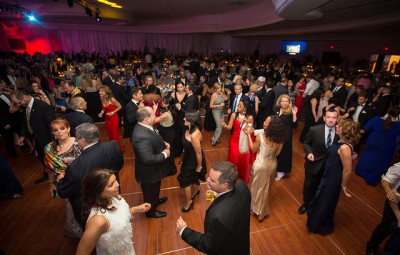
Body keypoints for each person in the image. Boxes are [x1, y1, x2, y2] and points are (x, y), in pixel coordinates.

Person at [176, 161, 251, 255]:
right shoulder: (243, 187)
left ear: (225, 185)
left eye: (212, 180)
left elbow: (208, 245)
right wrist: (219, 196)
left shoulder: (218, 216)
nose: (207, 180)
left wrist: (184, 231)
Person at [57, 123, 124, 227]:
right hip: (113, 196)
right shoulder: (113, 145)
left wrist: (60, 180)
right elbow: (119, 165)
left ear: (82, 140)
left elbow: (64, 192)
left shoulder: (75, 167)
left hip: (91, 209)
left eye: (77, 138)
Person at [76, 169, 151, 255]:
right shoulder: (98, 221)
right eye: (111, 184)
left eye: (115, 180)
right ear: (98, 191)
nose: (117, 184)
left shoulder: (113, 196)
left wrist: (137, 208)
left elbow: (118, 217)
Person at [307, 117, 361, 234]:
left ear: (344, 129)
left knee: (325, 202)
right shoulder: (342, 143)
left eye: (339, 125)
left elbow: (347, 170)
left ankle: (320, 226)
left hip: (332, 179)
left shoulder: (345, 147)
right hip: (328, 175)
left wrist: (344, 185)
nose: (336, 126)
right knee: (321, 199)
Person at [44, 118, 83, 237]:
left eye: (62, 128)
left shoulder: (79, 142)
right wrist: (51, 184)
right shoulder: (49, 148)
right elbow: (49, 168)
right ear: (53, 133)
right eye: (56, 130)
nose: (59, 132)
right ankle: (78, 230)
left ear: (69, 129)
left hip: (82, 180)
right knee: (71, 206)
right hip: (65, 183)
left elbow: (87, 162)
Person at [298, 108, 340, 215]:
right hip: (314, 163)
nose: (331, 120)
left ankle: (318, 204)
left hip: (330, 166)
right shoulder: (314, 129)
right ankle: (306, 203)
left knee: (324, 186)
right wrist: (309, 152)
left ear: (337, 119)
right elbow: (306, 143)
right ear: (324, 118)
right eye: (329, 117)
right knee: (309, 185)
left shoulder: (341, 133)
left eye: (334, 117)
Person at [131, 107, 170, 218]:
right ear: (147, 119)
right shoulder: (141, 136)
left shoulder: (145, 126)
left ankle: (155, 200)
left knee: (155, 187)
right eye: (153, 114)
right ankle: (150, 211)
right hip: (148, 172)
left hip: (154, 171)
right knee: (149, 192)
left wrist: (163, 143)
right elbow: (147, 159)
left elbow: (154, 137)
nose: (156, 116)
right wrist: (165, 154)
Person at [10, 89, 55, 184]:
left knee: (52, 159)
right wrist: (22, 136)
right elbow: (26, 123)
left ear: (25, 97)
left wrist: (52, 142)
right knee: (42, 158)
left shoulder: (42, 106)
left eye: (19, 102)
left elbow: (51, 125)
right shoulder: (27, 107)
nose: (19, 105)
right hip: (37, 138)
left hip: (46, 139)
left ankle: (57, 176)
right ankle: (47, 174)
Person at [247, 115, 287, 220]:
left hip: (261, 165)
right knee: (266, 189)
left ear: (272, 126)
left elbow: (253, 149)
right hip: (273, 165)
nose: (264, 122)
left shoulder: (260, 136)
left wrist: (248, 136)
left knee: (256, 188)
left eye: (266, 122)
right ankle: (262, 211)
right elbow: (277, 153)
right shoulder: (281, 138)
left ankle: (255, 209)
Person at [355, 106, 400, 185]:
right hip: (386, 148)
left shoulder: (376, 119)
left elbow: (364, 130)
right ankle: (371, 178)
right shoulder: (398, 125)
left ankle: (360, 172)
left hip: (372, 143)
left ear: (388, 111)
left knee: (367, 157)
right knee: (380, 163)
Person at [366, 162, 400, 255]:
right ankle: (371, 246)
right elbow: (385, 180)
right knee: (385, 226)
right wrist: (388, 190)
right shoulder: (399, 166)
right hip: (393, 200)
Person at [178, 111, 206, 212]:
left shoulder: (195, 135)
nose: (183, 119)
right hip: (188, 157)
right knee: (191, 177)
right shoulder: (188, 128)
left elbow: (198, 153)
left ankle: (189, 202)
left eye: (186, 118)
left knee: (185, 181)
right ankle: (194, 192)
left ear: (191, 121)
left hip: (193, 160)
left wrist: (199, 166)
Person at [222, 99, 254, 183]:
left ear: (245, 108)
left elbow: (251, 131)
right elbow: (229, 127)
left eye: (240, 105)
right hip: (234, 140)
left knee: (243, 158)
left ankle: (242, 175)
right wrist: (224, 125)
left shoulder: (250, 117)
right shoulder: (234, 115)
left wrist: (247, 125)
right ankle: (231, 176)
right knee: (234, 157)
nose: (237, 107)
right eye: (237, 105)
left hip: (244, 141)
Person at [274, 94, 298, 181]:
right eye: (283, 101)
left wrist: (295, 114)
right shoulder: (276, 109)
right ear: (280, 102)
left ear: (289, 102)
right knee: (275, 152)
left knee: (283, 153)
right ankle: (275, 169)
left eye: (286, 101)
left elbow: (295, 126)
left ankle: (281, 171)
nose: (285, 103)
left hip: (286, 136)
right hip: (276, 134)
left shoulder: (291, 111)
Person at [155, 95, 178, 176]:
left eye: (163, 101)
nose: (161, 102)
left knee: (168, 151)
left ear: (168, 104)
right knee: (170, 151)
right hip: (170, 131)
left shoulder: (166, 114)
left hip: (166, 133)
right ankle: (170, 169)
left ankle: (170, 170)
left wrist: (154, 109)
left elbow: (154, 120)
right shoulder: (171, 110)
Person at [98, 85, 124, 152]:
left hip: (114, 118)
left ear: (106, 92)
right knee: (110, 133)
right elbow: (104, 108)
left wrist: (112, 113)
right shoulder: (102, 98)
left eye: (101, 91)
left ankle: (117, 149)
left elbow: (120, 106)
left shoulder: (112, 99)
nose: (99, 92)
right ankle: (112, 146)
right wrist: (101, 112)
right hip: (107, 119)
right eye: (99, 91)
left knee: (114, 133)